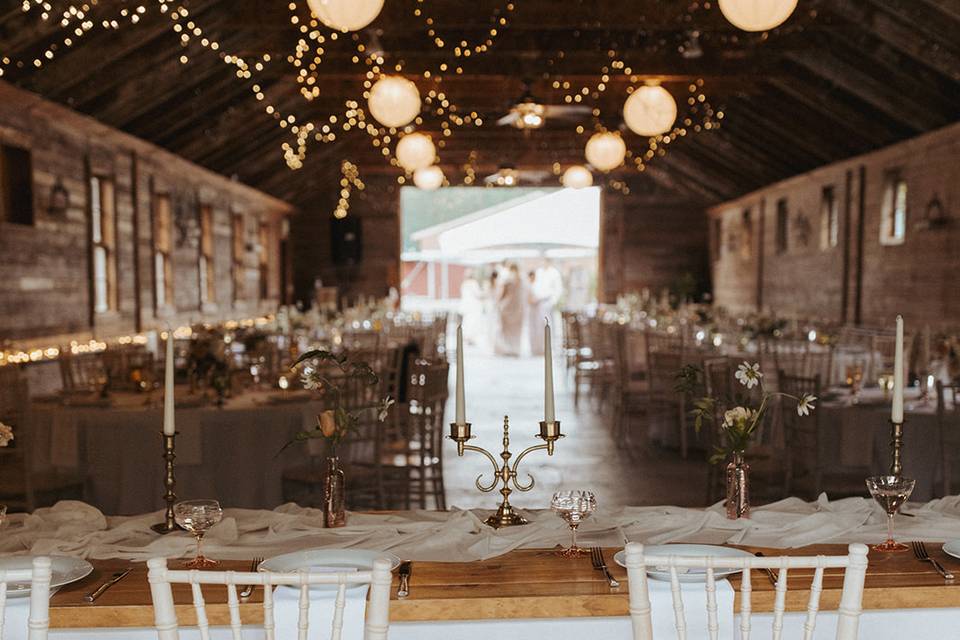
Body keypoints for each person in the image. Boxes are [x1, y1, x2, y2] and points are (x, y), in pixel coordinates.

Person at [494, 263, 524, 357]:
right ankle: (515, 348)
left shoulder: (508, 279)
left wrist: (497, 302)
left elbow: (503, 293)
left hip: (508, 306)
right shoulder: (521, 279)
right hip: (518, 307)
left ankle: (508, 348)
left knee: (506, 330)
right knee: (516, 330)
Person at [459, 269, 485, 346]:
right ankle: (470, 337)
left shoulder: (464, 284)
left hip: (466, 306)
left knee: (467, 321)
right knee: (473, 321)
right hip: (473, 306)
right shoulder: (473, 283)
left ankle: (467, 337)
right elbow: (478, 294)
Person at [526, 270, 547, 356]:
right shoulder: (528, 287)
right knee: (533, 329)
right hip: (532, 310)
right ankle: (534, 349)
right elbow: (529, 300)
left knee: (540, 328)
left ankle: (540, 348)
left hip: (538, 310)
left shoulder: (537, 285)